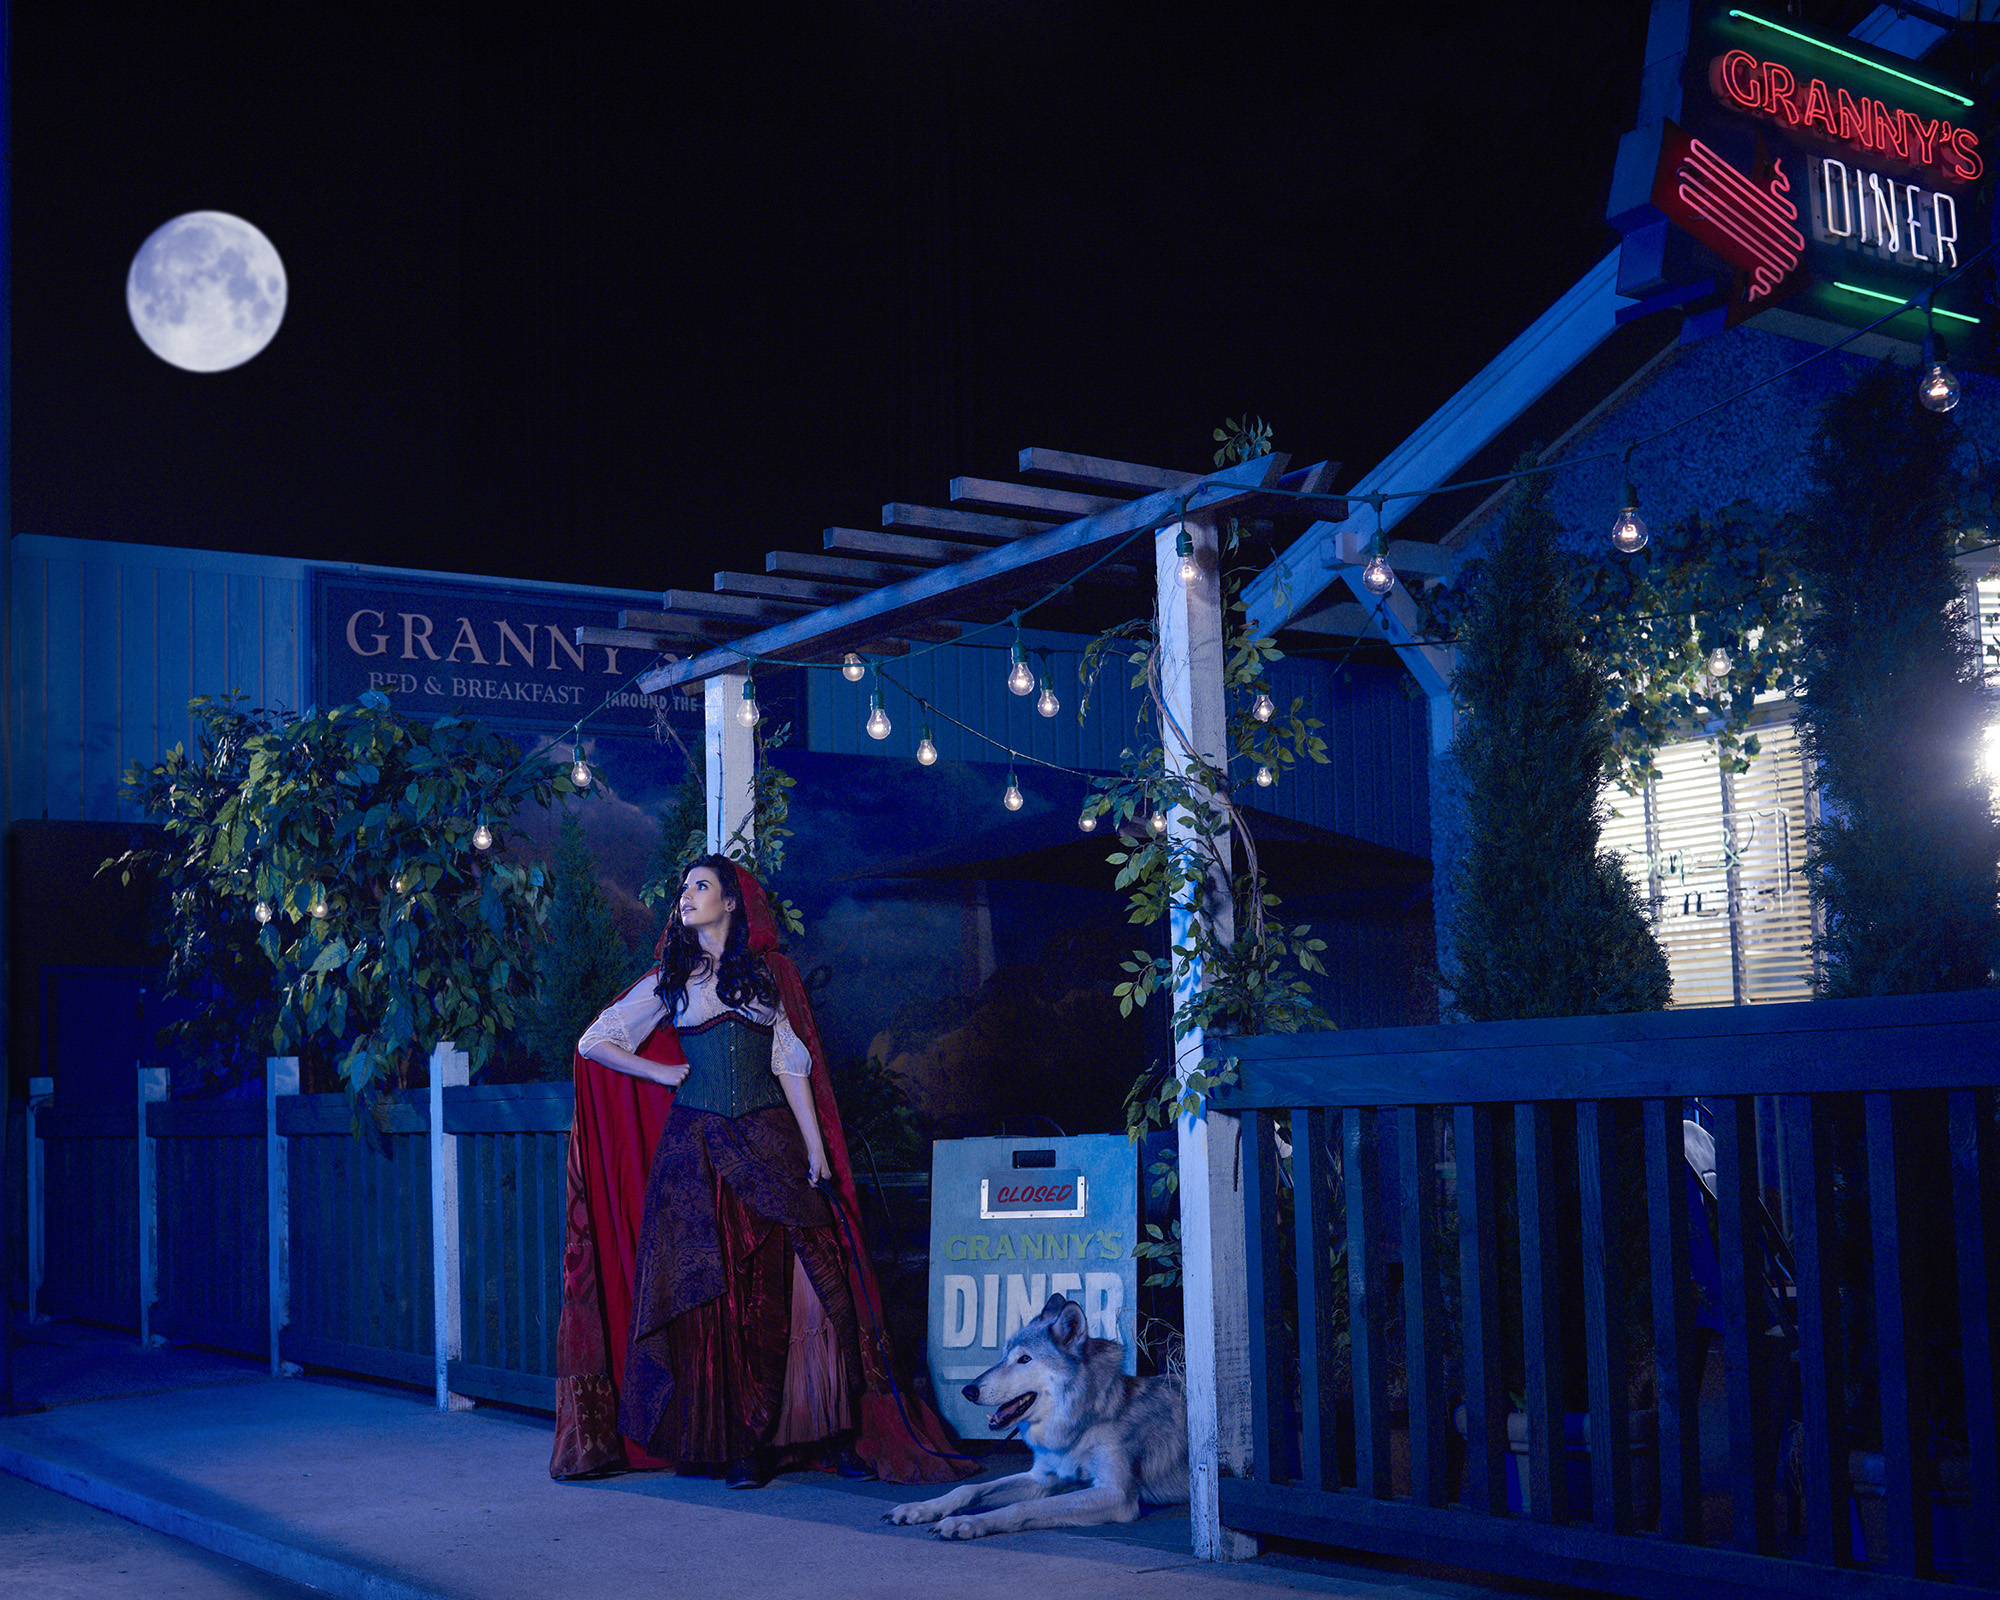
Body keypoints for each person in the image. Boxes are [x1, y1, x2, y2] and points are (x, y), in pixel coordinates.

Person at [549, 855, 966, 1489]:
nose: (686, 896)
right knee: (719, 1297)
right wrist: (659, 1071)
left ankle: (825, 1430)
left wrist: (816, 1148)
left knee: (812, 1282)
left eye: (701, 886)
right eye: (683, 888)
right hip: (696, 1153)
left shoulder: (769, 977)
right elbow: (593, 1042)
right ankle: (740, 1446)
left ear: (731, 902)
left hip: (771, 1141)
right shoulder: (671, 979)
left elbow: (791, 1065)